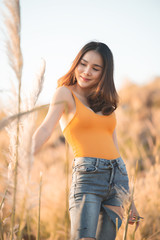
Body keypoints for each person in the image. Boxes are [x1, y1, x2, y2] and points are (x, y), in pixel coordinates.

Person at [32, 41, 141, 240]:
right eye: (83, 64)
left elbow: (114, 148)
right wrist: (25, 155)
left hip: (117, 179)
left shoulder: (106, 103)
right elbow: (46, 128)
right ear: (76, 63)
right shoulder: (65, 93)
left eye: (95, 68)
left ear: (104, 73)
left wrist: (130, 198)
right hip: (88, 179)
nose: (86, 71)